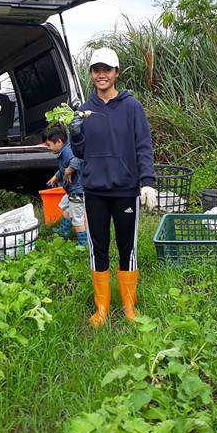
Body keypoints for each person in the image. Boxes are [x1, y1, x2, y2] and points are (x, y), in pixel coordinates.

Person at [70, 46, 157, 327]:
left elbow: (143, 146)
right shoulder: (83, 110)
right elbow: (79, 153)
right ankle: (102, 308)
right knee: (98, 247)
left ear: (116, 73)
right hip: (94, 190)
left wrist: (147, 182)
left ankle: (129, 307)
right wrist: (75, 133)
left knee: (127, 247)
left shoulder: (132, 107)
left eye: (107, 70)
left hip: (125, 190)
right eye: (96, 70)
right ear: (91, 74)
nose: (101, 75)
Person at [43, 125, 88, 246]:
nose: (48, 148)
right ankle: (64, 231)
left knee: (77, 217)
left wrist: (69, 171)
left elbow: (77, 160)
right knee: (66, 209)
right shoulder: (64, 150)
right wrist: (55, 177)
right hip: (71, 190)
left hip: (77, 191)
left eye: (49, 145)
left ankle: (83, 243)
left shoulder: (68, 151)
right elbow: (63, 168)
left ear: (59, 142)